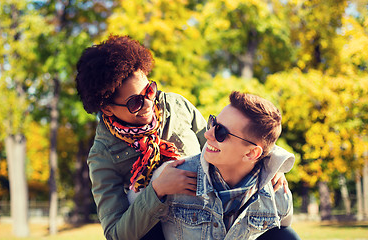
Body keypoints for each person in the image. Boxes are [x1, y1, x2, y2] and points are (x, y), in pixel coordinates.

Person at [75, 35, 293, 240]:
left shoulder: (176, 106)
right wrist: (157, 191)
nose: (149, 104)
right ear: (107, 109)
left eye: (149, 90)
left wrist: (267, 163)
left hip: (210, 217)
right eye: (135, 103)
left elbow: (224, 141)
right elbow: (116, 233)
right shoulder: (103, 155)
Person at [159, 91, 300, 240]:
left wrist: (274, 167)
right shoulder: (172, 178)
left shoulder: (277, 193)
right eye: (213, 123)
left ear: (251, 153)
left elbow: (284, 229)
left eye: (221, 132)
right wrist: (157, 190)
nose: (208, 135)